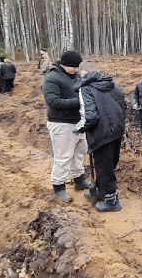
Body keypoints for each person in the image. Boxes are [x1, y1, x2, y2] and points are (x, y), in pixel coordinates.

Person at [73, 62, 126, 212]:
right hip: (117, 129)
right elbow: (123, 106)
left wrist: (79, 128)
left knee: (103, 166)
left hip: (102, 133)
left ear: (83, 73)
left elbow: (89, 116)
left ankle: (111, 201)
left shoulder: (86, 89)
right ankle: (101, 191)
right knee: (109, 163)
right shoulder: (112, 84)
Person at [43, 51, 91, 202]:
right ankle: (59, 187)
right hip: (61, 123)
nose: (76, 70)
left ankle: (79, 179)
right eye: (73, 67)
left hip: (78, 122)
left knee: (79, 152)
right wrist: (79, 101)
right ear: (64, 65)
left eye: (78, 67)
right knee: (63, 157)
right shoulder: (52, 78)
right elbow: (53, 102)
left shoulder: (76, 75)